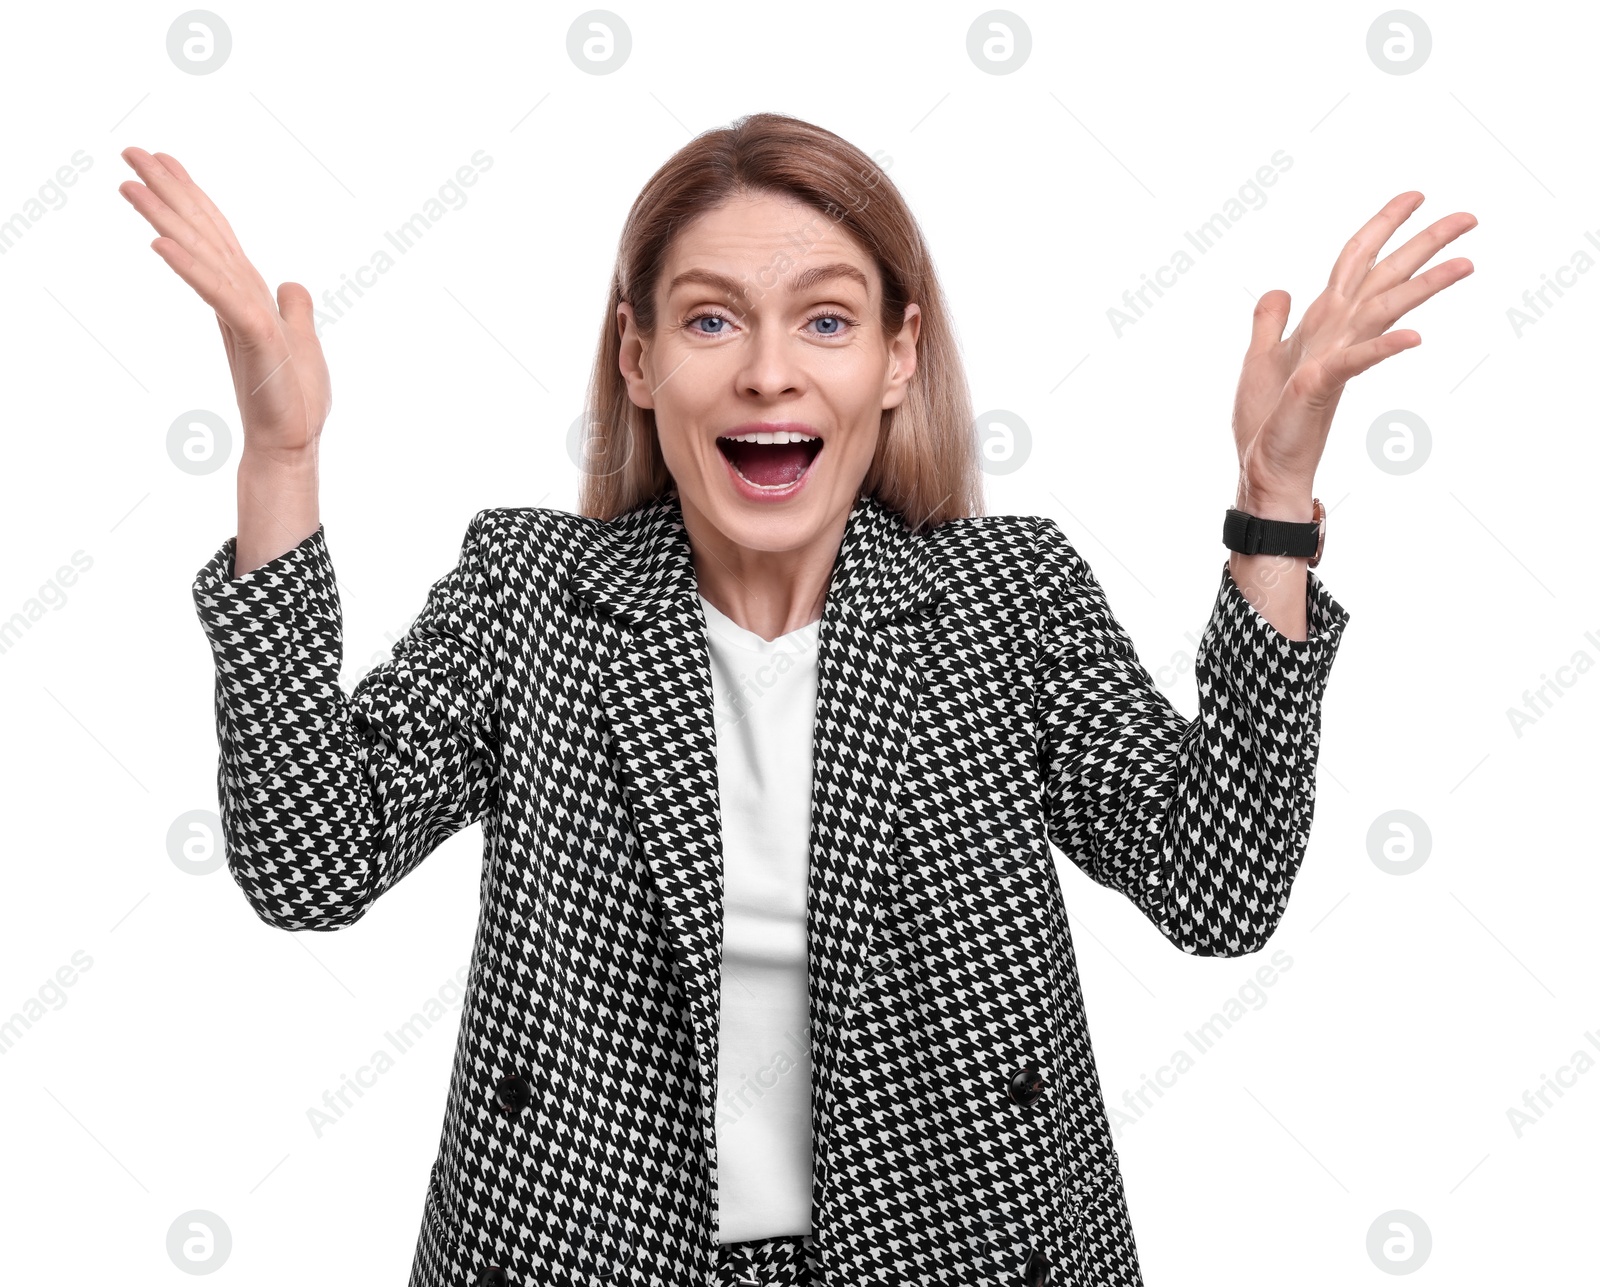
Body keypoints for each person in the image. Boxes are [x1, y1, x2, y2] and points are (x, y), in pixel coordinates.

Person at [122, 113, 1474, 1286]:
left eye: (826, 319)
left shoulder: (1003, 599)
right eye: (712, 319)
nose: (769, 370)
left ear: (896, 358)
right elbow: (309, 862)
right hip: (581, 1253)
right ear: (641, 362)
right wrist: (281, 461)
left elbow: (1216, 887)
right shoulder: (530, 588)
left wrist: (1275, 510)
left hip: (960, 1250)